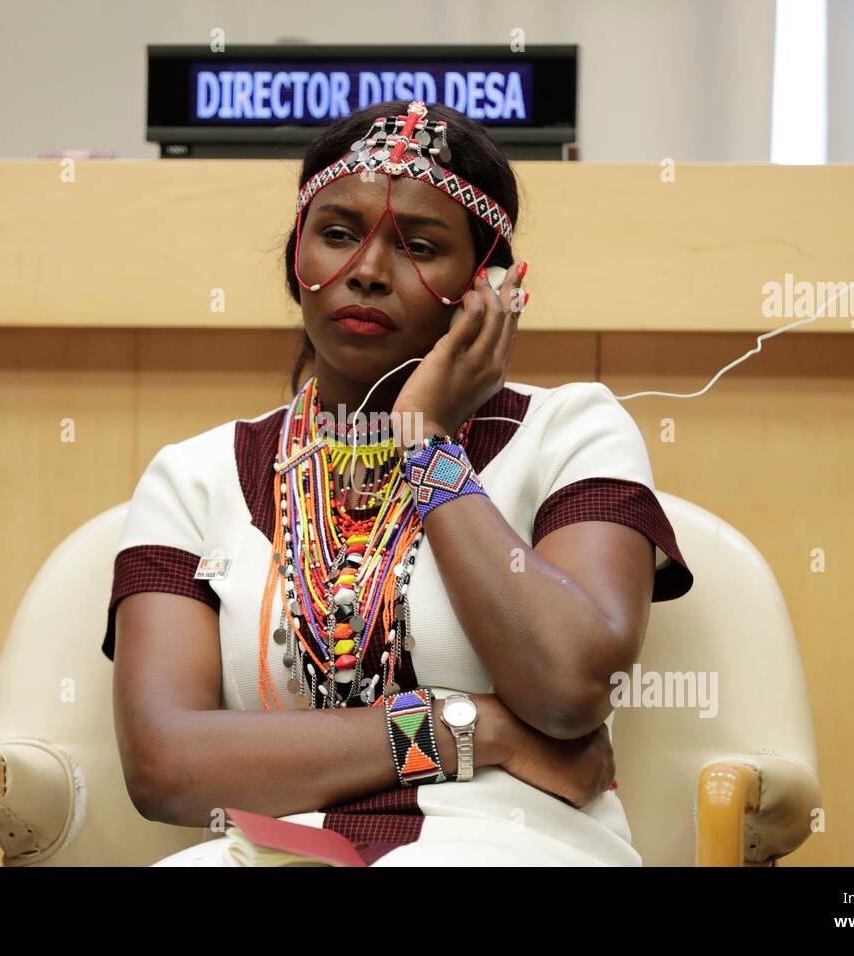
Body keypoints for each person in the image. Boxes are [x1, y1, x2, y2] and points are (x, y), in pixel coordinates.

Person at [101, 100, 694, 866]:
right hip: (269, 854)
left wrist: (429, 444)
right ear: (298, 261)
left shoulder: (571, 433)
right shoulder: (196, 475)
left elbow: (569, 686)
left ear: (491, 288)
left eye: (420, 246)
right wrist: (466, 727)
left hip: (512, 847)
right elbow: (163, 765)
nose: (370, 273)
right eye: (338, 235)